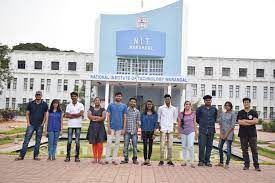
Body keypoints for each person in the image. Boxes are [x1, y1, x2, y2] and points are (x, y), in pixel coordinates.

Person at [15, 91, 48, 161]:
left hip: (40, 125)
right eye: (37, 95)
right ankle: (21, 156)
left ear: (41, 96)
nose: (38, 96)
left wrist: (43, 123)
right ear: (35, 95)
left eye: (39, 95)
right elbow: (27, 113)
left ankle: (36, 156)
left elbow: (45, 115)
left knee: (38, 141)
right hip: (31, 125)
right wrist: (28, 123)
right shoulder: (30, 104)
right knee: (26, 140)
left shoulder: (45, 104)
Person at [237, 98, 261, 171]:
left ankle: (256, 166)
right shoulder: (240, 112)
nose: (246, 103)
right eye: (245, 102)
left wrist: (245, 121)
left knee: (254, 150)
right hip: (243, 134)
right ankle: (246, 165)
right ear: (243, 103)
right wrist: (250, 122)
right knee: (244, 150)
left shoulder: (254, 112)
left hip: (252, 134)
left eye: (247, 102)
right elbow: (240, 122)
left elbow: (256, 121)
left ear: (249, 103)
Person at [105, 92, 127, 165]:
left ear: (121, 97)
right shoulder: (111, 105)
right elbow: (108, 116)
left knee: (117, 143)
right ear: (115, 97)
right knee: (109, 143)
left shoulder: (124, 106)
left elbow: (124, 118)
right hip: (111, 127)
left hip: (119, 128)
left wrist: (124, 128)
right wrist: (108, 127)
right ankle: (107, 159)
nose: (118, 97)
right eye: (117, 96)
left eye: (120, 96)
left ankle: (114, 159)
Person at [196, 95, 217, 167]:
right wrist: (203, 124)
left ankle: (207, 161)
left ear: (211, 101)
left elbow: (215, 118)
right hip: (203, 130)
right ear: (204, 101)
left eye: (209, 100)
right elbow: (197, 119)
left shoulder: (214, 109)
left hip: (211, 130)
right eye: (206, 100)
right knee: (202, 145)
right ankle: (201, 161)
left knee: (209, 146)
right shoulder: (200, 109)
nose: (208, 101)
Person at [158, 94, 178, 166]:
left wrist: (174, 128)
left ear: (170, 99)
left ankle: (169, 160)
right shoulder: (161, 108)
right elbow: (159, 119)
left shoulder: (174, 109)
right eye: (166, 99)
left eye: (168, 99)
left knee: (170, 146)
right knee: (162, 145)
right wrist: (159, 127)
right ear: (164, 100)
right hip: (163, 129)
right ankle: (161, 160)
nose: (167, 100)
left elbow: (175, 119)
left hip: (170, 129)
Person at [64, 92, 84, 162]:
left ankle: (77, 157)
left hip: (78, 125)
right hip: (70, 125)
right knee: (69, 141)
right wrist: (76, 115)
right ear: (71, 97)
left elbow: (81, 113)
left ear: (77, 97)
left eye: (75, 96)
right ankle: (68, 156)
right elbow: (66, 114)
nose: (74, 97)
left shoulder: (81, 105)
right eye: (72, 96)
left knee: (77, 141)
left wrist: (71, 115)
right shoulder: (68, 105)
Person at [86, 97, 107, 164]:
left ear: (100, 102)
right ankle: (95, 158)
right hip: (92, 127)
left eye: (98, 100)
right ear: (94, 102)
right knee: (94, 143)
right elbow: (89, 116)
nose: (97, 101)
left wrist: (95, 118)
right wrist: (98, 117)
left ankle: (100, 159)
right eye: (96, 100)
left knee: (100, 143)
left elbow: (103, 117)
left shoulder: (103, 109)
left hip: (100, 128)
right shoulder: (91, 109)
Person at [120, 97, 140, 165]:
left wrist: (136, 129)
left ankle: (134, 159)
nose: (133, 103)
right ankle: (126, 159)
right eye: (131, 101)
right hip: (127, 131)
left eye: (134, 102)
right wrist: (124, 129)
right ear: (129, 102)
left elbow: (138, 121)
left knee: (135, 146)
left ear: (136, 103)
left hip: (134, 132)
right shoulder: (126, 110)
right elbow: (123, 120)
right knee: (125, 146)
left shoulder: (137, 111)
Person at [216, 101, 235, 169]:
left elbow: (232, 125)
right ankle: (221, 162)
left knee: (228, 149)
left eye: (228, 105)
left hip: (229, 134)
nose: (227, 106)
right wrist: (221, 133)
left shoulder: (233, 114)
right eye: (226, 105)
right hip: (222, 133)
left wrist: (227, 134)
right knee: (219, 147)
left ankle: (227, 163)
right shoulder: (223, 114)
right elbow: (220, 124)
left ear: (230, 107)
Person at [177, 101, 197, 168]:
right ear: (184, 105)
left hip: (191, 131)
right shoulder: (180, 114)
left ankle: (192, 162)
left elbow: (195, 124)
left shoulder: (193, 113)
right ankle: (184, 161)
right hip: (183, 132)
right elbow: (179, 124)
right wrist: (179, 133)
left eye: (188, 104)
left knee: (191, 146)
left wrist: (196, 133)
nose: (187, 105)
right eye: (186, 104)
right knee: (184, 146)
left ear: (190, 106)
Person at [141, 100, 158, 166]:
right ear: (146, 105)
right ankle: (145, 160)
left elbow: (156, 124)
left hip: (151, 132)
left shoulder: (155, 114)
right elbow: (141, 124)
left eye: (150, 104)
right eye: (148, 104)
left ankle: (149, 160)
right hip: (144, 132)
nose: (149, 105)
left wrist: (154, 133)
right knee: (145, 146)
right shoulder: (143, 114)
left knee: (150, 146)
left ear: (152, 105)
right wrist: (142, 134)